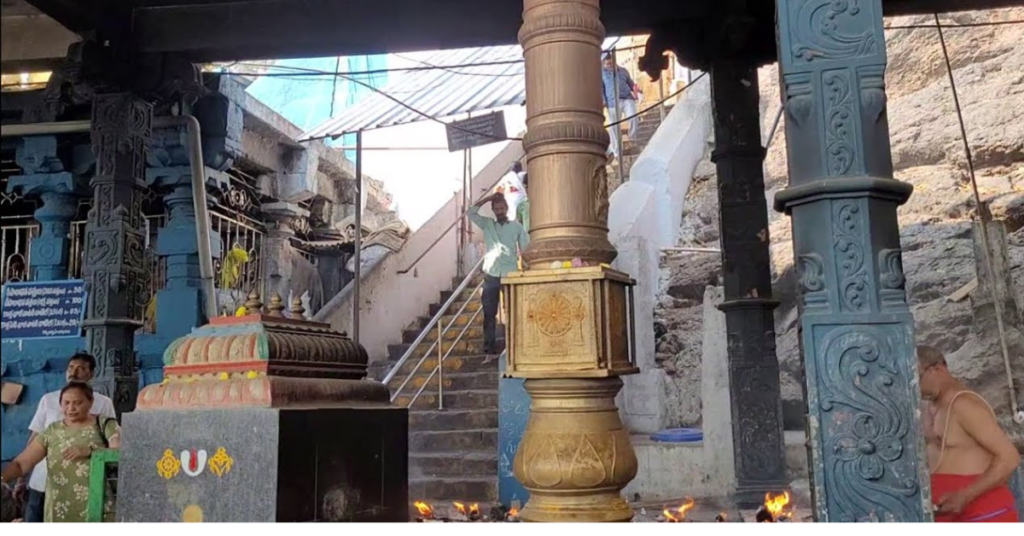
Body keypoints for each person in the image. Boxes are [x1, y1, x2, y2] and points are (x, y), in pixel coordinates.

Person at [919, 345, 1020, 522]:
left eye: (918, 377)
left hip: (981, 513)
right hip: (946, 512)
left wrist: (965, 495)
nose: (916, 386)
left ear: (937, 369)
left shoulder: (964, 405)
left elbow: (1010, 457)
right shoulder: (929, 406)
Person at [1, 382, 120, 523]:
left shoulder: (106, 425)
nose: (71, 408)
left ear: (90, 402)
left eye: (78, 403)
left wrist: (92, 451)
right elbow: (21, 464)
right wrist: (3, 478)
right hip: (60, 507)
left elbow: (120, 453)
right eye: (66, 403)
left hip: (98, 505)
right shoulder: (52, 431)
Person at [18, 353, 116, 522]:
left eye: (81, 368)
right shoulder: (48, 400)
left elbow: (112, 443)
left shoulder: (103, 403)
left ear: (91, 374)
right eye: (71, 367)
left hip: (82, 485)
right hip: (42, 480)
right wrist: (21, 480)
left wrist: (91, 451)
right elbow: (34, 438)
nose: (74, 372)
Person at [469, 193, 529, 354]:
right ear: (493, 210)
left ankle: (516, 348)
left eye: (502, 208)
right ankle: (489, 351)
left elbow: (525, 249)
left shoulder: (516, 227)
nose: (500, 211)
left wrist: (527, 267)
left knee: (514, 312)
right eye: (496, 209)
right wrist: (488, 198)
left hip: (511, 275)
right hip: (491, 275)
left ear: (507, 208)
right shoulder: (488, 224)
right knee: (489, 315)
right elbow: (470, 212)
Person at [601, 54, 640, 161]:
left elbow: (630, 83)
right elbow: (601, 89)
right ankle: (617, 152)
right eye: (606, 64)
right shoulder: (602, 74)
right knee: (613, 127)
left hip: (627, 98)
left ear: (614, 61)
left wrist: (636, 89)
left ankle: (633, 138)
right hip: (612, 102)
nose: (608, 66)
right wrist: (604, 101)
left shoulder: (623, 71)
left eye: (610, 63)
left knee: (633, 117)